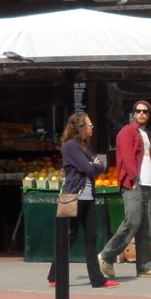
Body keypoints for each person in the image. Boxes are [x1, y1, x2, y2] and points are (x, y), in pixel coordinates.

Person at [100, 99, 151, 279]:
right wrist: (133, 177)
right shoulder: (126, 132)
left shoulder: (147, 135)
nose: (141, 114)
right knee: (133, 221)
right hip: (134, 183)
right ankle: (107, 255)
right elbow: (127, 156)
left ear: (149, 115)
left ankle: (145, 266)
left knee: (147, 227)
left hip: (148, 184)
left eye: (145, 111)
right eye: (138, 111)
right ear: (133, 113)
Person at [48, 112, 115, 289]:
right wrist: (92, 165)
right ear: (80, 128)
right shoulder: (70, 146)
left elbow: (100, 167)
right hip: (74, 197)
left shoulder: (85, 147)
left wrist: (93, 165)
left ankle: (97, 279)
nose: (92, 127)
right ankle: (54, 275)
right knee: (69, 237)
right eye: (89, 124)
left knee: (91, 238)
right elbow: (90, 168)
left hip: (88, 197)